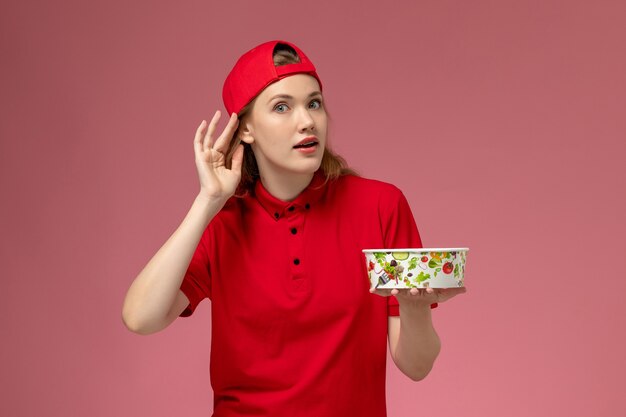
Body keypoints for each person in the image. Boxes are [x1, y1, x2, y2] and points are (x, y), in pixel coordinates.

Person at [122, 39, 466, 416]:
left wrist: (413, 307)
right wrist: (206, 202)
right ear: (246, 128)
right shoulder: (222, 223)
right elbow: (141, 318)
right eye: (282, 107)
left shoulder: (381, 206)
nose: (307, 121)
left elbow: (417, 366)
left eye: (314, 103)